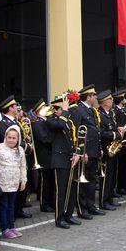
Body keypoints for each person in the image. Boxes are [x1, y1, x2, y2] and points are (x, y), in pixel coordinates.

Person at [45, 96, 81, 229]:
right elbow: (59, 125)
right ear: (56, 109)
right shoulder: (51, 121)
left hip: (70, 158)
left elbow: (74, 139)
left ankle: (69, 215)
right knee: (61, 191)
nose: (67, 110)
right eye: (63, 108)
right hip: (59, 160)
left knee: (70, 189)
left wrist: (77, 153)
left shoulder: (67, 121)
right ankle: (59, 218)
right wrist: (65, 112)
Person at [70, 85, 103, 218]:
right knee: (82, 182)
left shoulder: (92, 111)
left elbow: (96, 131)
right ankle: (82, 209)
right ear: (88, 97)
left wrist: (99, 148)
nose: (96, 97)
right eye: (94, 95)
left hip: (94, 150)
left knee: (91, 180)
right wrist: (81, 151)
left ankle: (91, 206)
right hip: (85, 152)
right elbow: (76, 132)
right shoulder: (78, 110)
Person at [0, 96, 32, 220]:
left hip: (20, 158)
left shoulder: (15, 122)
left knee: (22, 185)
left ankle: (19, 209)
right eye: (14, 106)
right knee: (13, 188)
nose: (17, 108)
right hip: (10, 160)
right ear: (10, 108)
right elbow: (7, 141)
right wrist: (26, 146)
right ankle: (14, 212)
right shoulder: (3, 124)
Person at [0, 125, 27, 239]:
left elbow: (23, 166)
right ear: (5, 137)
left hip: (14, 182)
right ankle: (5, 228)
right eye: (9, 137)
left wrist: (23, 180)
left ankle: (12, 226)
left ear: (18, 139)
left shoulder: (20, 150)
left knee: (12, 205)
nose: (11, 140)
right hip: (1, 181)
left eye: (14, 138)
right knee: (3, 205)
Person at [97, 91, 121, 211]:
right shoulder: (99, 114)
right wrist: (114, 135)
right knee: (105, 177)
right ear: (105, 102)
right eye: (110, 99)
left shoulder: (110, 114)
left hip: (113, 149)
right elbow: (101, 133)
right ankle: (104, 201)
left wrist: (118, 131)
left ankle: (110, 198)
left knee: (111, 176)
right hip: (106, 149)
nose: (112, 101)